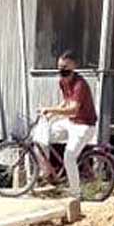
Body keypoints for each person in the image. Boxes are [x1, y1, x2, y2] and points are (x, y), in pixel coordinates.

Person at [33, 50, 97, 199]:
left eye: (66, 67)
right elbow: (66, 102)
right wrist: (51, 114)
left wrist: (50, 109)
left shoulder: (80, 85)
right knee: (41, 135)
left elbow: (73, 110)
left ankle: (75, 193)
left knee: (69, 156)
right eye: (60, 67)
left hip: (84, 125)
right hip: (70, 122)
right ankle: (47, 172)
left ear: (74, 66)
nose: (62, 70)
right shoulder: (62, 82)